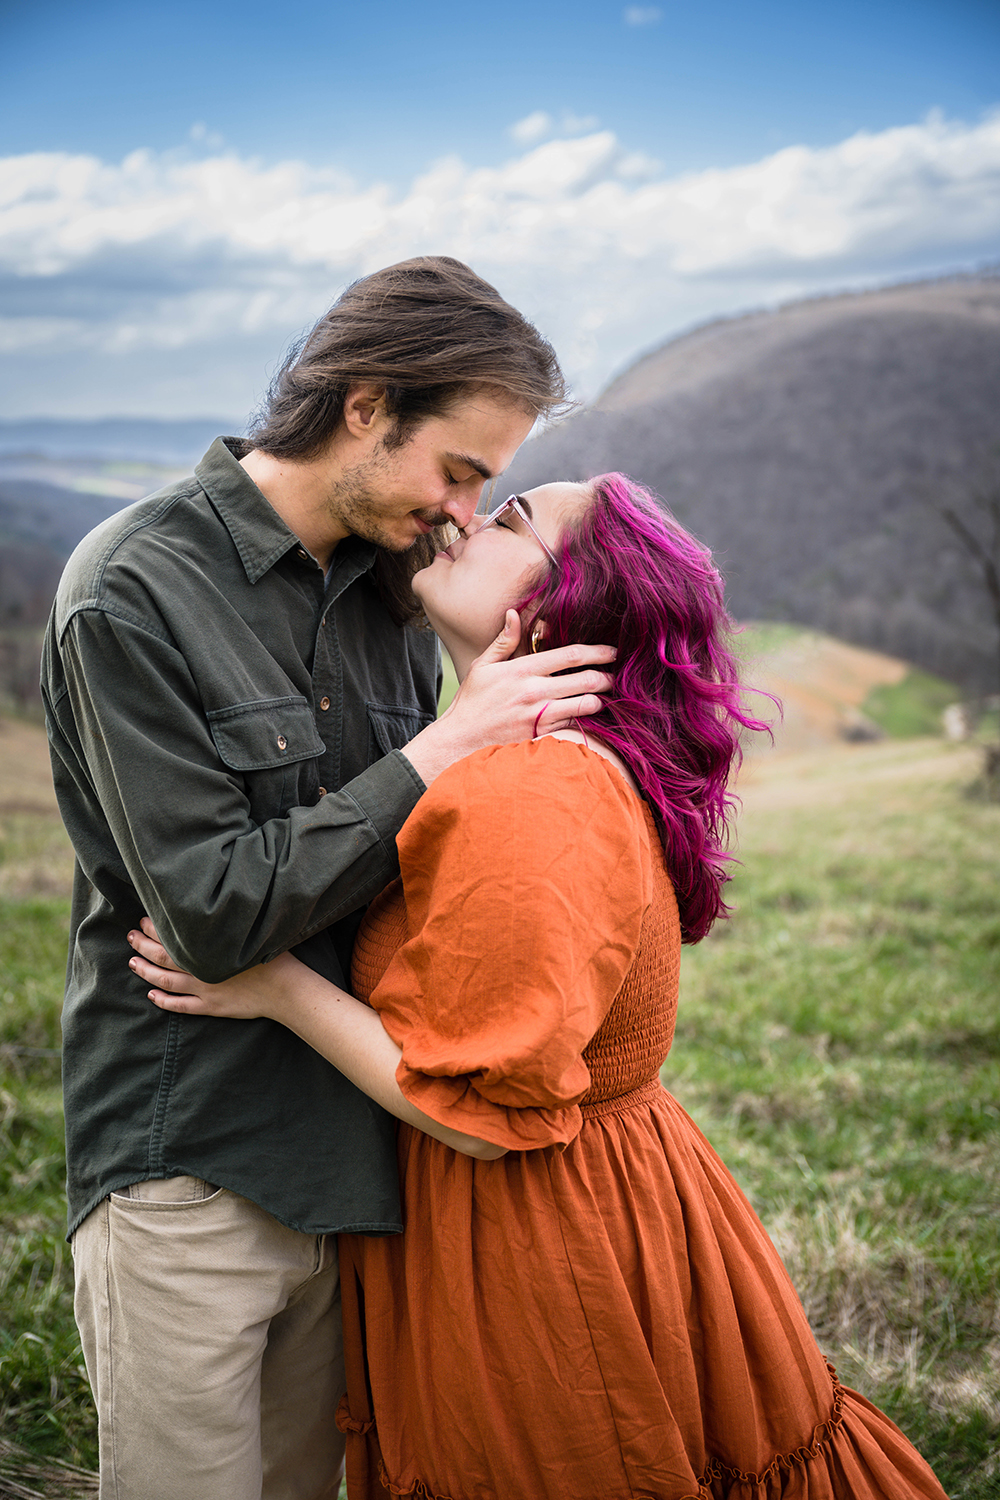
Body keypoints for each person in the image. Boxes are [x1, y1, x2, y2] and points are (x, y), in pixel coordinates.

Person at [128, 474, 949, 1499]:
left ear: (565, 607)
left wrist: (275, 986)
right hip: (600, 1201)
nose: (468, 516)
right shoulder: (536, 766)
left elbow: (480, 1116)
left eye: (511, 516)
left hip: (537, 1242)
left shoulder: (532, 791)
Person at [40, 256, 616, 1500]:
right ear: (363, 406)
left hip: (366, 1169)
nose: (466, 512)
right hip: (192, 1162)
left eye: (491, 485)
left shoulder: (394, 599)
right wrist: (440, 746)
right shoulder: (132, 591)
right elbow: (210, 916)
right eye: (457, 469)